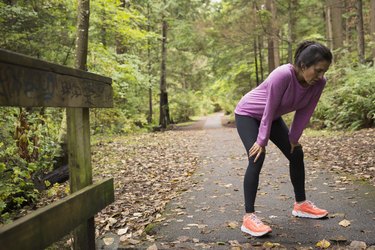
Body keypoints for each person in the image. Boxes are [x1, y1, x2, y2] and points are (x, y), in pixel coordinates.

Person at [234, 40, 333, 237]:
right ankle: (249, 217)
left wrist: (294, 138)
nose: (321, 75)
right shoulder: (282, 75)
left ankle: (301, 204)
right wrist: (261, 141)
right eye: (318, 70)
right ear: (304, 65)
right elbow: (269, 108)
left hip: (272, 116)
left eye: (324, 71)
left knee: (296, 153)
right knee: (257, 156)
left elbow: (306, 111)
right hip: (248, 113)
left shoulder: (318, 83)